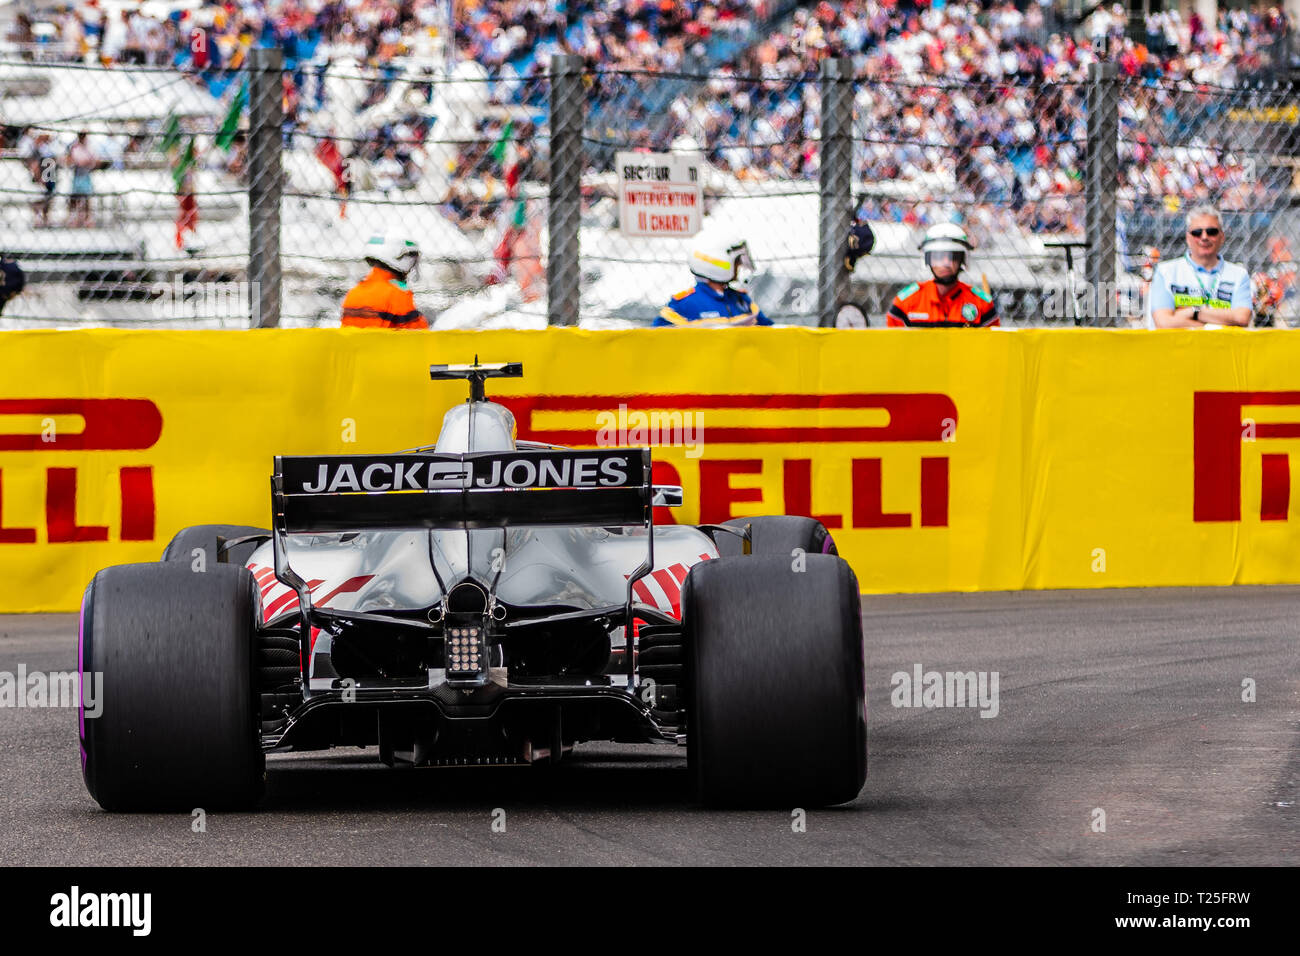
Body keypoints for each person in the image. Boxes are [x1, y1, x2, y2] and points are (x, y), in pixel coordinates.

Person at [1147, 206, 1253, 328]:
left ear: (1222, 237)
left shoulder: (1239, 275)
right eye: (1197, 233)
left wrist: (1195, 311)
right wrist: (1219, 323)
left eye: (1211, 232)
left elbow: (1242, 317)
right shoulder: (1165, 272)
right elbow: (1164, 323)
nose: (1204, 237)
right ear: (1188, 238)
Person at [886, 223, 998, 327]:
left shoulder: (981, 303)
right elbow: (892, 344)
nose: (946, 263)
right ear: (927, 259)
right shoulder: (907, 302)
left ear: (963, 259)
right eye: (938, 257)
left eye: (953, 256)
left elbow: (993, 345)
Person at [655, 236, 772, 327]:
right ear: (719, 262)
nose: (739, 266)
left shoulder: (743, 301)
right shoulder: (683, 305)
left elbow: (769, 333)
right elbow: (659, 343)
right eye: (736, 262)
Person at [341, 235, 429, 329]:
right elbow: (418, 335)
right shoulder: (398, 295)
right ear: (398, 256)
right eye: (411, 256)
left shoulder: (354, 292)